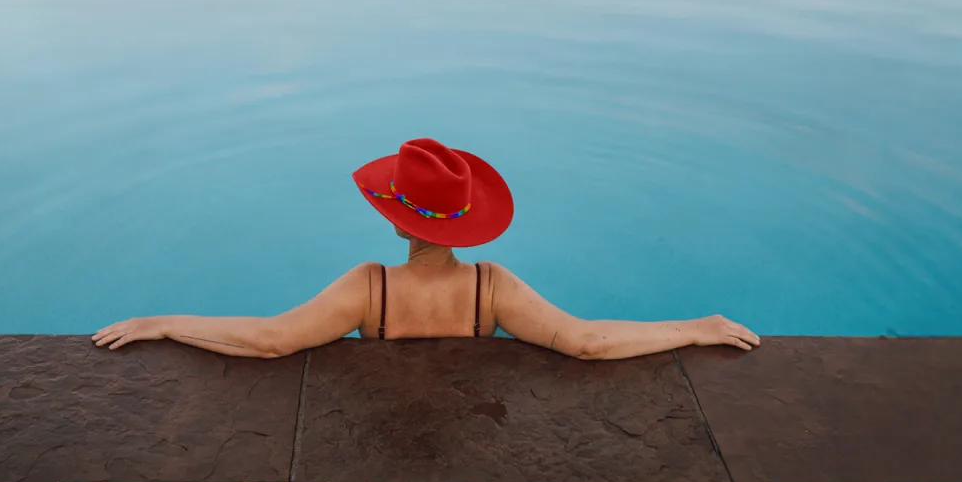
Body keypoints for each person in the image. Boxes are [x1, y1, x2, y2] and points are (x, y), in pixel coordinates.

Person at [93, 137, 759, 359]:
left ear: (397, 220)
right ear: (465, 222)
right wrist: (693, 329)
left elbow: (272, 339)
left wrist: (165, 323)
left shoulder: (370, 287)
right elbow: (586, 341)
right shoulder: (492, 287)